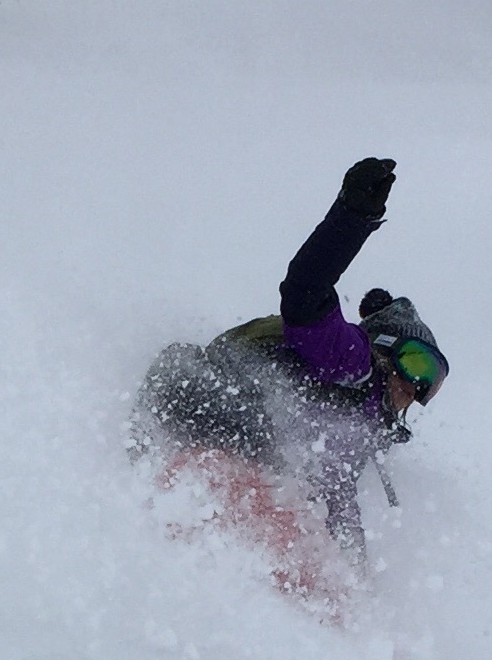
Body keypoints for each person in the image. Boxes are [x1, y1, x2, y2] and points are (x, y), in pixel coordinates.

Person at [138, 156, 451, 609]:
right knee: (290, 527)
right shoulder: (353, 360)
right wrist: (353, 218)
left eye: (432, 383)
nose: (417, 386)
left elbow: (338, 505)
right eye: (418, 363)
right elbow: (304, 291)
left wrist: (359, 586)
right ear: (385, 347)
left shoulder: (355, 430)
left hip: (201, 431)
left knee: (306, 535)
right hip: (203, 407)